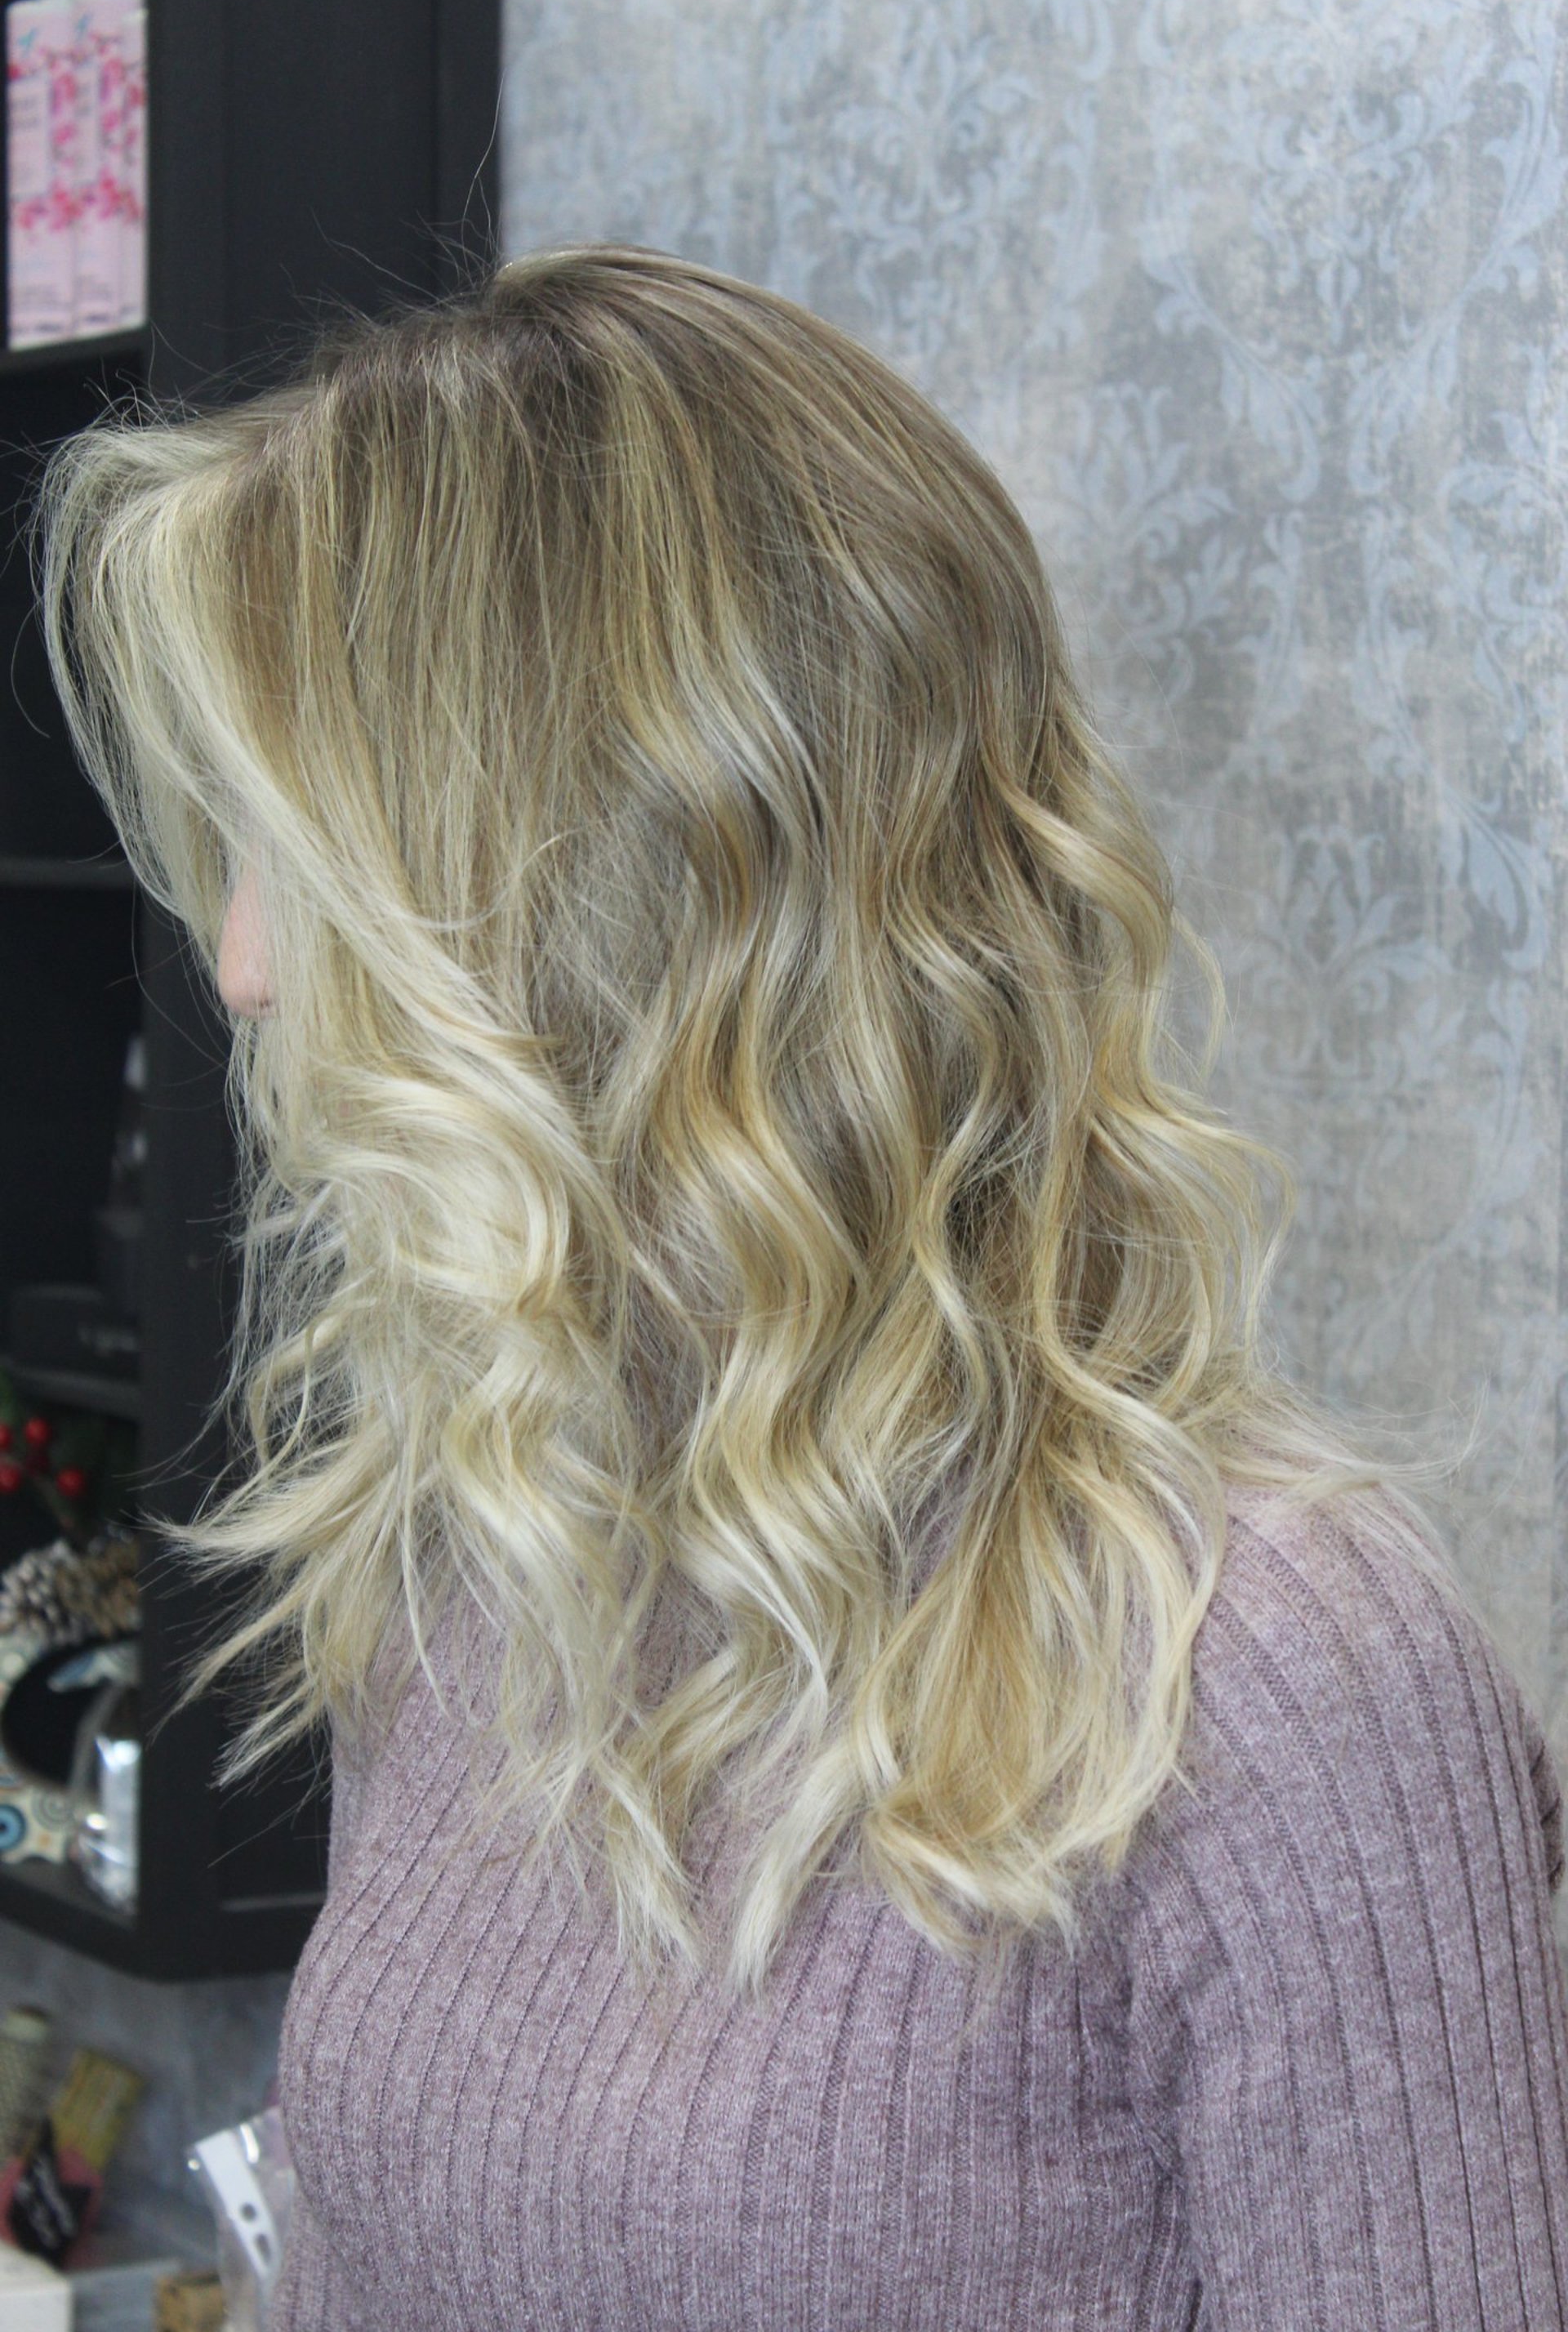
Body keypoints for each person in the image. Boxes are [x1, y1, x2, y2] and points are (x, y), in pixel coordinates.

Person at [29, 243, 1568, 2330]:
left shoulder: (1275, 1683)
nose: (242, 967)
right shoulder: (495, 1544)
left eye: (305, 856)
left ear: (603, 887)